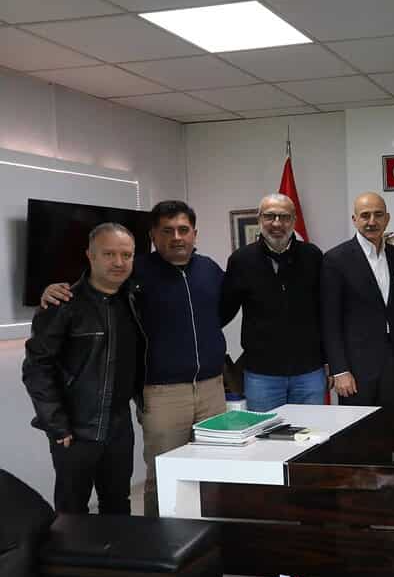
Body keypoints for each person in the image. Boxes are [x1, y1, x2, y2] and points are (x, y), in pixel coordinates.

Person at [42, 201, 227, 517]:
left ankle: (208, 534)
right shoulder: (134, 272)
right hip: (162, 394)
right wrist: (52, 289)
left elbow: (224, 309)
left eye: (183, 230)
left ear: (195, 234)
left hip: (212, 390)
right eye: (167, 231)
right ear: (153, 236)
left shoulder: (210, 270)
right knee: (165, 476)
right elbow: (93, 286)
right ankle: (159, 540)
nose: (177, 237)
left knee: (213, 472)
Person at [24, 223, 143, 514]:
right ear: (90, 255)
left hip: (119, 426)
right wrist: (56, 425)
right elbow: (37, 368)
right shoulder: (62, 303)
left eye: (126, 255)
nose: (119, 262)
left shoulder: (134, 299)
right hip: (75, 430)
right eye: (109, 254)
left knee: (118, 504)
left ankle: (115, 547)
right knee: (72, 512)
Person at [220, 194, 325, 412]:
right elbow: (224, 311)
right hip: (262, 375)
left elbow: (325, 311)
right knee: (266, 432)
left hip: (309, 373)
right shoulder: (241, 260)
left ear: (294, 220)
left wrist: (330, 361)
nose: (277, 223)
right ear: (259, 219)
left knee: (312, 430)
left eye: (284, 217)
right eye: (270, 216)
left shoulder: (313, 256)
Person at [321, 192, 394, 407]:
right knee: (358, 427)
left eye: (378, 215)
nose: (372, 221)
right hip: (355, 369)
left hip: (392, 365)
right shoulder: (336, 259)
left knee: (393, 423)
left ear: (387, 218)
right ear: (354, 219)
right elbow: (330, 320)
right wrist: (340, 370)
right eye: (365, 215)